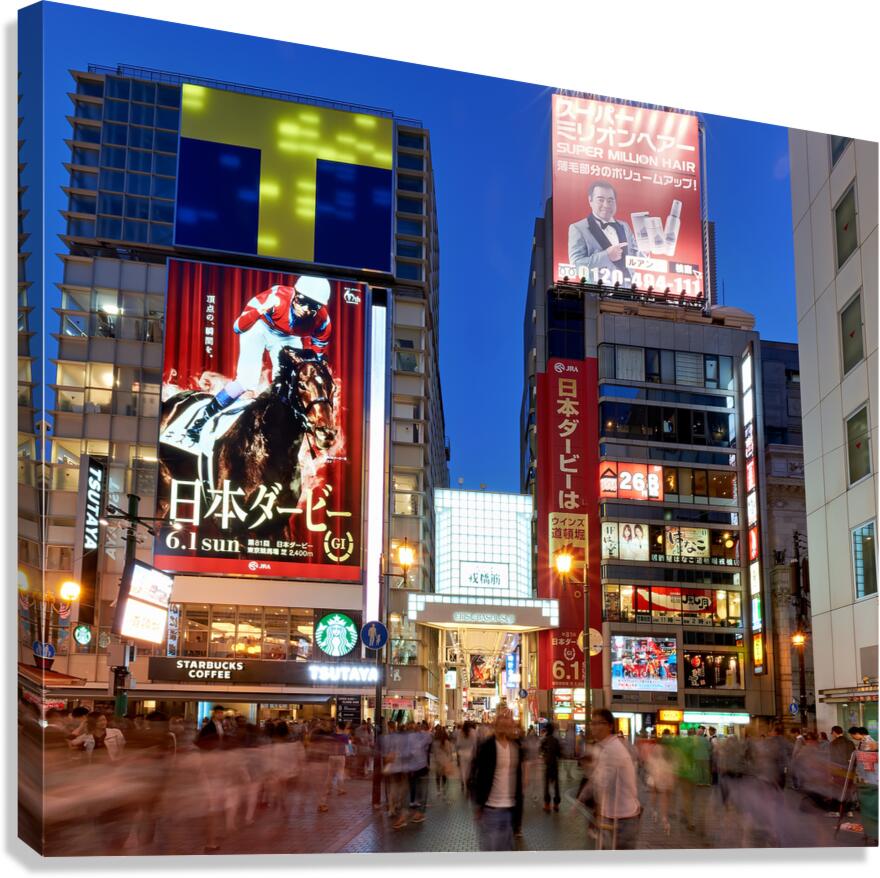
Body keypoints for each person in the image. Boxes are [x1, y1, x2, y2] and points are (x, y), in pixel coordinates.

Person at [186, 274, 333, 441]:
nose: (305, 309)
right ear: (295, 294)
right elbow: (238, 327)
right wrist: (260, 310)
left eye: (313, 306)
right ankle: (201, 421)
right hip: (260, 326)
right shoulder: (276, 297)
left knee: (292, 383)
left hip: (288, 337)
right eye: (302, 301)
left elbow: (316, 356)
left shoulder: (323, 322)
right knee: (246, 381)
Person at [580, 709, 641, 849]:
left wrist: (589, 770)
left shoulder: (611, 749)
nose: (594, 727)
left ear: (610, 726)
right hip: (615, 816)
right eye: (592, 723)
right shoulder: (605, 746)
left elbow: (601, 783)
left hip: (622, 820)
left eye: (599, 723)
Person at [469, 711, 524, 851]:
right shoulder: (487, 746)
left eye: (508, 720)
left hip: (510, 809)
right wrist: (478, 804)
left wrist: (518, 813)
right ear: (496, 725)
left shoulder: (515, 746)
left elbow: (518, 780)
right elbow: (478, 775)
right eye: (501, 720)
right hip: (491, 808)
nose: (505, 723)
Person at [567, 182, 641, 285]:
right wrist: (607, 256)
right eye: (601, 200)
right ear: (590, 200)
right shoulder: (578, 228)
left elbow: (634, 255)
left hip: (628, 291)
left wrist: (645, 252)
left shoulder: (624, 226)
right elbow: (575, 266)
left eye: (610, 200)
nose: (606, 205)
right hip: (597, 292)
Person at [540, 723, 562, 812]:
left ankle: (547, 805)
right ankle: (556, 805)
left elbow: (541, 751)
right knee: (556, 786)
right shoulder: (556, 740)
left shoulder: (544, 740)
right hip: (554, 765)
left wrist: (544, 756)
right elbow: (559, 754)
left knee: (547, 785)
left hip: (548, 765)